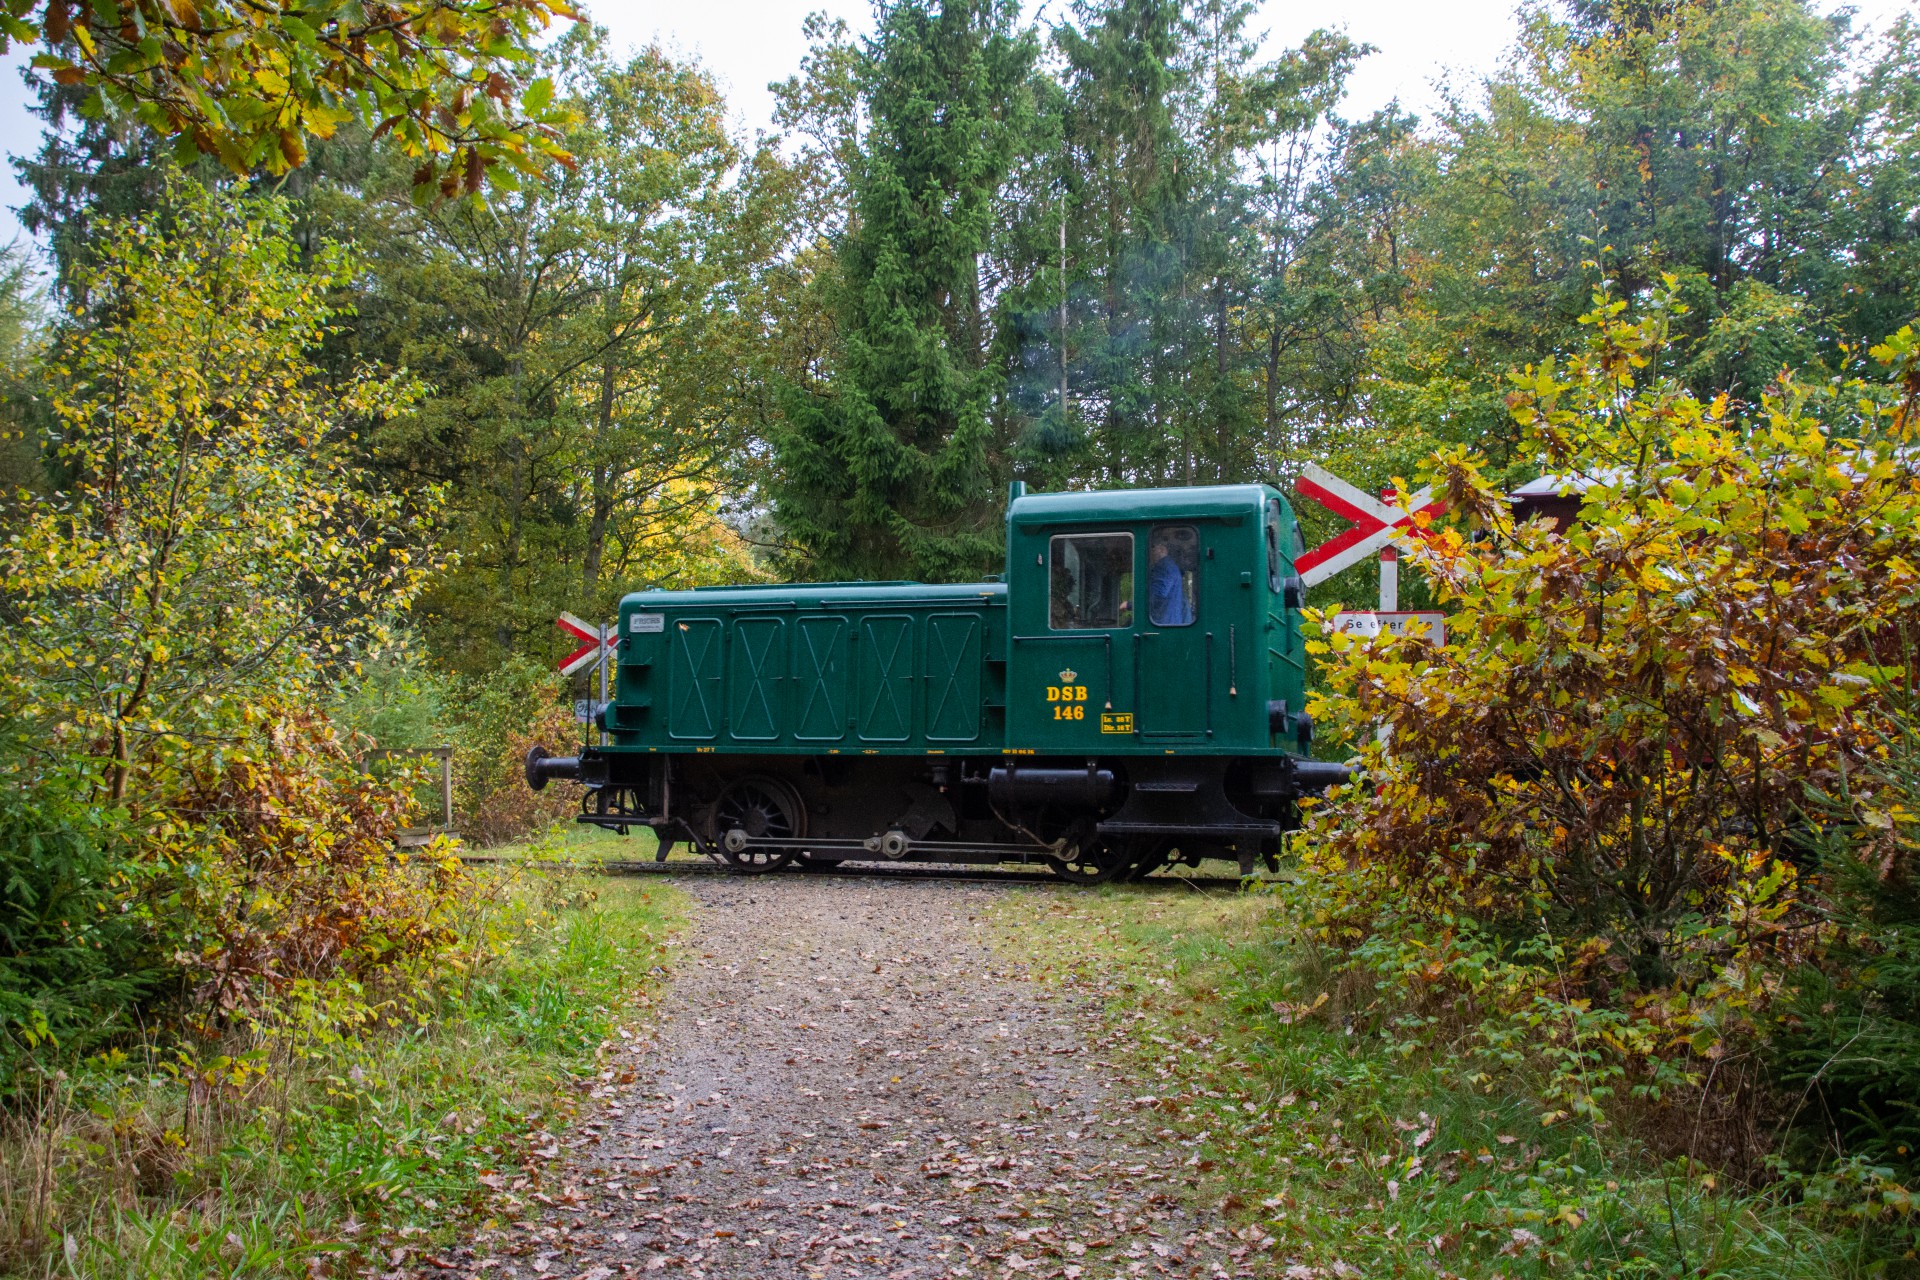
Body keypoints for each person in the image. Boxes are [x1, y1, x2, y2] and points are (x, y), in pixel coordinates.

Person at [1148, 537, 1193, 625]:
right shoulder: (1171, 567)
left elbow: (1158, 594)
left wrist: (1130, 605)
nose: (1150, 553)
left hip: (1161, 624)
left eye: (1153, 549)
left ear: (1162, 550)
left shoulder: (1163, 567)